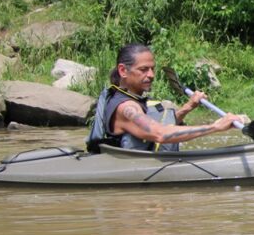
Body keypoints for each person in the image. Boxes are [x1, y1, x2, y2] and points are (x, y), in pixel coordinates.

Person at [86, 44, 243, 153]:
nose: (151, 75)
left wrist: (188, 107)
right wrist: (215, 127)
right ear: (123, 70)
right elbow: (160, 134)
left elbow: (155, 124)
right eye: (143, 70)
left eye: (152, 69)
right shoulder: (126, 108)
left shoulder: (131, 99)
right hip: (134, 167)